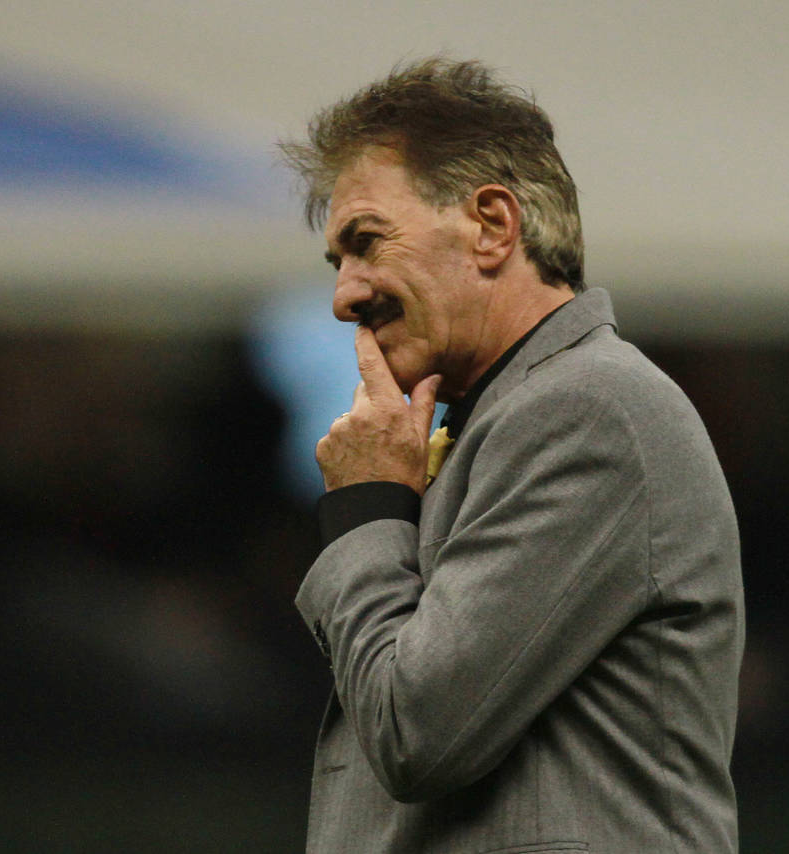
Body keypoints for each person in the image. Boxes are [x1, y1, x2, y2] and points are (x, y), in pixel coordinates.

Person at [279, 58, 744, 853]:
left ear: (493, 225)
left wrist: (366, 510)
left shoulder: (586, 408)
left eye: (367, 243)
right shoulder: (510, 418)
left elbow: (415, 731)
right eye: (339, 263)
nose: (345, 296)